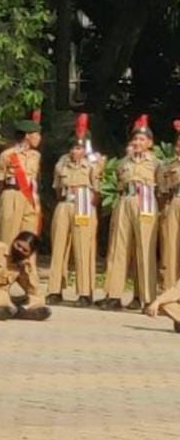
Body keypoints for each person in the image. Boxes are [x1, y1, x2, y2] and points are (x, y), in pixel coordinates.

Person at [100, 115, 160, 310]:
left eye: (142, 140)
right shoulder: (124, 161)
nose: (137, 143)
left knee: (145, 249)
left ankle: (147, 297)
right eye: (135, 139)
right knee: (118, 247)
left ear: (150, 143)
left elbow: (162, 187)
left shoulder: (156, 163)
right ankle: (114, 294)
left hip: (146, 202)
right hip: (125, 200)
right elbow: (118, 181)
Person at [46, 117, 100, 307]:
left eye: (80, 147)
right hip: (65, 203)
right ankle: (54, 289)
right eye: (73, 148)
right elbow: (56, 185)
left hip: (84, 205)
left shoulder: (94, 162)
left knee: (83, 248)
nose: (76, 151)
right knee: (59, 246)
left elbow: (97, 188)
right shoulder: (62, 162)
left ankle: (85, 291)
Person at [0, 113, 43, 250]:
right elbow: (0, 180)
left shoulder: (36, 156)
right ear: (27, 135)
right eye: (37, 134)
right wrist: (0, 199)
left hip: (29, 197)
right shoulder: (7, 155)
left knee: (29, 233)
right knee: (8, 234)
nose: (39, 138)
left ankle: (27, 268)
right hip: (12, 193)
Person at [157, 121, 180, 291]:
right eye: (178, 145)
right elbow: (163, 191)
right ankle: (169, 290)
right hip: (174, 204)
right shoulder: (168, 165)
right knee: (170, 248)